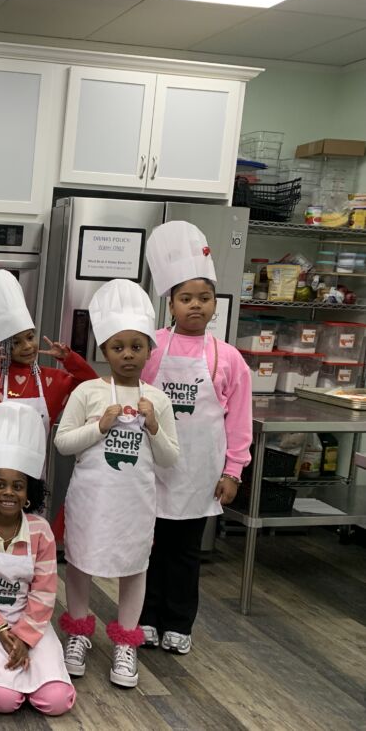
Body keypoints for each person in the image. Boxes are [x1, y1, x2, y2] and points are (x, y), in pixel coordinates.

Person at [54, 279, 179, 689]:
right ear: (104, 351)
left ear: (148, 350)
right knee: (80, 562)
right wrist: (98, 426)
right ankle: (77, 633)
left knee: (134, 566)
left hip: (136, 503)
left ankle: (126, 642)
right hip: (92, 500)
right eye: (118, 347)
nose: (127, 354)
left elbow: (170, 459)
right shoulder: (89, 392)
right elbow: (62, 442)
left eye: (136, 346)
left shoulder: (157, 399)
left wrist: (156, 427)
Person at [141, 221, 251, 655]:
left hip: (199, 474)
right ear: (171, 303)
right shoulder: (151, 349)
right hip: (151, 469)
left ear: (214, 305)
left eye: (203, 298)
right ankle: (145, 617)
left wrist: (234, 471)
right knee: (147, 548)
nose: (195, 306)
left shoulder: (228, 358)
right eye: (186, 298)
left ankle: (178, 622)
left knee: (186, 553)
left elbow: (239, 423)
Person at [0, 402, 75, 717]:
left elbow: (44, 591)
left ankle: (35, 673)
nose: (9, 493)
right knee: (4, 701)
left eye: (18, 486)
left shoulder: (40, 531)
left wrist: (24, 635)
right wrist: (0, 629)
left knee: (56, 700)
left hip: (32, 620)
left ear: (29, 491)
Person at [0, 269, 96, 427]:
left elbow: (93, 387)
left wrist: (69, 359)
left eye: (30, 337)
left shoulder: (51, 381)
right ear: (0, 346)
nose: (27, 346)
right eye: (15, 342)